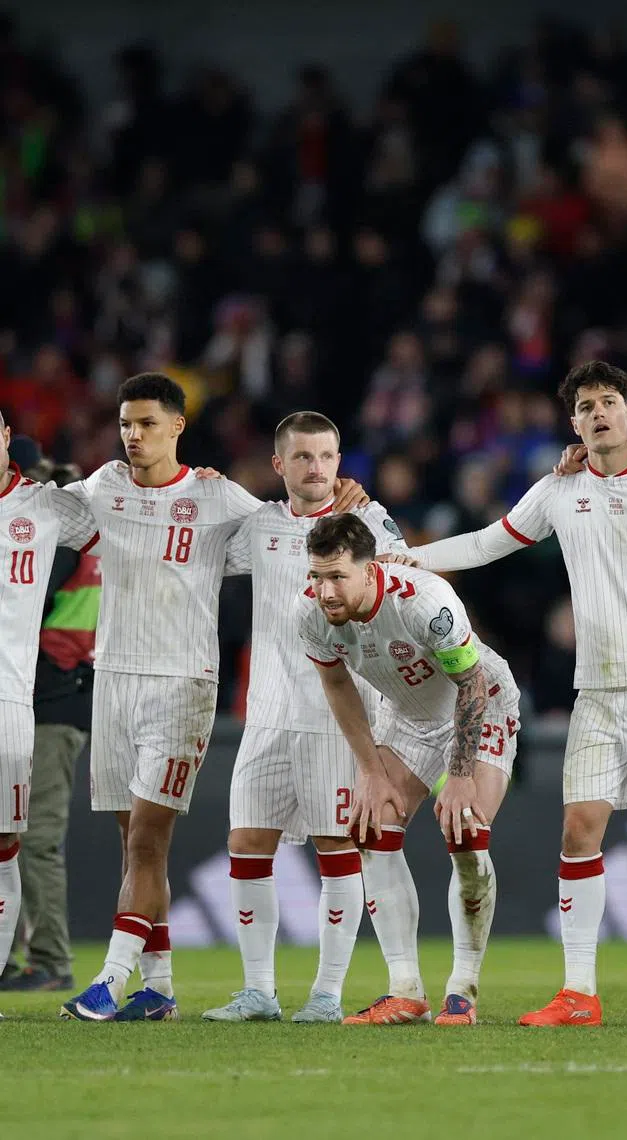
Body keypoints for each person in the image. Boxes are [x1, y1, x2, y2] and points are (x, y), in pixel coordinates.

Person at [408, 360, 627, 1027]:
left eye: (609, 402)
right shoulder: (561, 490)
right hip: (599, 691)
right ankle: (579, 992)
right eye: (585, 408)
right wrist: (410, 558)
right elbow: (489, 541)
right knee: (580, 829)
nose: (598, 414)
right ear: (574, 423)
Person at [58, 373, 367, 1022]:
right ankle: (161, 987)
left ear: (177, 426)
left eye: (145, 423)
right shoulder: (103, 487)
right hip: (114, 678)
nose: (132, 435)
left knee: (147, 837)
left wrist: (342, 502)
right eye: (124, 423)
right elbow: (40, 512)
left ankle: (112, 978)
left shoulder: (217, 496)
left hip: (182, 684)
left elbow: (293, 529)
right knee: (135, 845)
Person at [201, 412, 405, 1024]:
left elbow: (405, 580)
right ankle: (258, 992)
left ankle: (326, 994)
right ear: (279, 465)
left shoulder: (368, 526)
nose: (316, 469)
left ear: (340, 463)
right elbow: (206, 553)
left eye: (326, 457)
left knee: (335, 847)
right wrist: (201, 488)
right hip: (265, 712)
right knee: (246, 843)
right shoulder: (260, 527)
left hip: (336, 716)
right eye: (303, 457)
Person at [298, 512, 520, 1027]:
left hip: (481, 702)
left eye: (336, 577)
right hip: (406, 717)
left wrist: (460, 775)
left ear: (369, 569)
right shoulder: (309, 613)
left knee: (467, 831)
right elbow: (338, 688)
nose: (325, 592)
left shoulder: (426, 601)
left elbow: (470, 684)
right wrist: (371, 771)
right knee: (372, 828)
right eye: (317, 576)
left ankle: (462, 990)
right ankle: (405, 990)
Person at [0, 413, 94, 1018]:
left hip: (15, 703)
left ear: (6, 440)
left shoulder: (48, 508)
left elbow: (136, 504)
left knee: (10, 843)